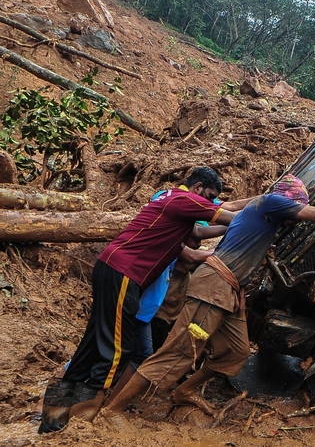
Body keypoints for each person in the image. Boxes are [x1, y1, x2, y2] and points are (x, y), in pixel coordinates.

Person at [102, 174, 315, 420]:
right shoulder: (271, 202)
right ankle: (112, 411)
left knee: (236, 352)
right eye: (295, 205)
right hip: (214, 286)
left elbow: (233, 209)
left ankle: (184, 391)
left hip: (229, 292)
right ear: (285, 200)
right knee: (178, 352)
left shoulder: (260, 208)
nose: (295, 211)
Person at [38, 166, 254, 434]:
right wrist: (267, 214)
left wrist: (259, 201)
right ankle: (83, 418)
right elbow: (234, 217)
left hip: (112, 266)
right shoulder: (184, 200)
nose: (209, 203)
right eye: (209, 197)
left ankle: (53, 417)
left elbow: (207, 226)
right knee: (118, 348)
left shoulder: (173, 203)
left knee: (95, 340)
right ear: (198, 188)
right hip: (125, 272)